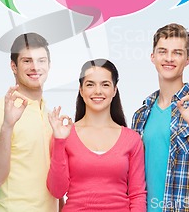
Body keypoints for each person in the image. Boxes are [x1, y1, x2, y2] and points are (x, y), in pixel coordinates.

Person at [132, 23, 189, 212]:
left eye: (177, 52)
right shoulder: (141, 114)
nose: (168, 58)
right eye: (162, 51)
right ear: (153, 57)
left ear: (187, 59)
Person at [47, 59, 146, 212]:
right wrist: (59, 141)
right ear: (81, 90)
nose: (98, 91)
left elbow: (137, 194)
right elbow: (57, 191)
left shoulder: (132, 139)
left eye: (105, 84)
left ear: (114, 90)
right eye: (90, 84)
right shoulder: (64, 135)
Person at [0, 33, 63, 212]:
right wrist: (7, 126)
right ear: (13, 66)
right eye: (27, 61)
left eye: (41, 60)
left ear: (49, 65)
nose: (35, 67)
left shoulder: (50, 116)